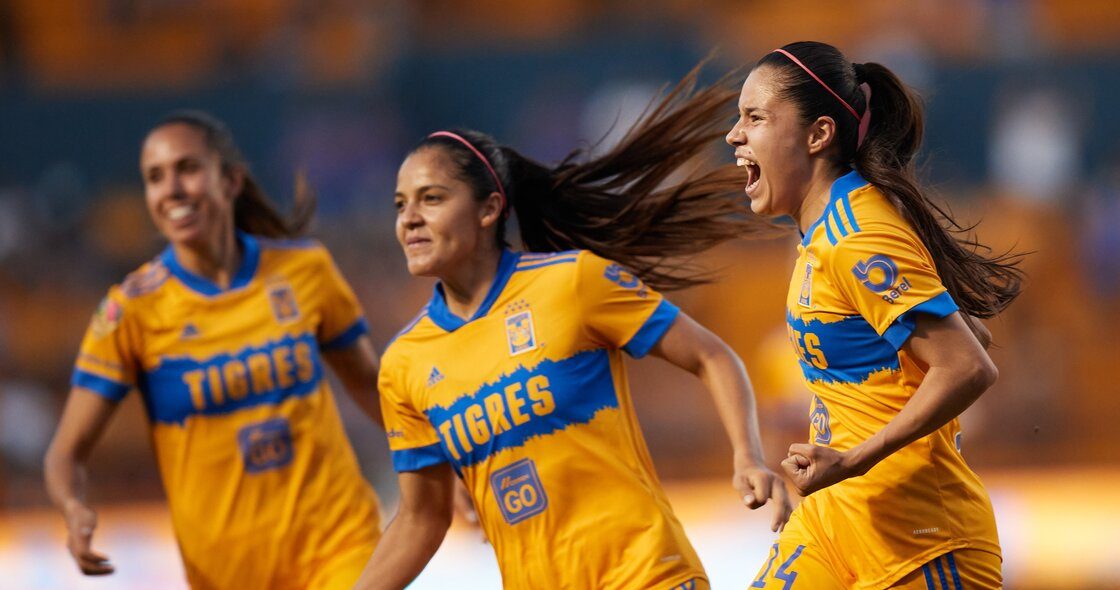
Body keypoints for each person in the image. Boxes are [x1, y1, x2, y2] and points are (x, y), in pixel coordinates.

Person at [354, 66, 791, 590]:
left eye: (431, 199)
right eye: (400, 205)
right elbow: (421, 520)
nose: (409, 219)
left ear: (490, 208)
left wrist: (746, 454)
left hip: (648, 573)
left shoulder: (572, 284)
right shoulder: (405, 363)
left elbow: (711, 356)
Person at [43, 111, 384, 590]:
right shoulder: (132, 312)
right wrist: (73, 507)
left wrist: (438, 466)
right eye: (155, 178)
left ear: (230, 180)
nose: (172, 189)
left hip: (340, 548)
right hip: (225, 575)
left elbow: (370, 386)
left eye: (187, 168)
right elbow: (65, 454)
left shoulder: (305, 270)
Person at [725, 42, 1024, 589]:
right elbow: (963, 331)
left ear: (818, 135)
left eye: (755, 118)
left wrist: (857, 458)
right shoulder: (830, 228)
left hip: (921, 545)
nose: (734, 135)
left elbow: (968, 364)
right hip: (832, 525)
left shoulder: (856, 234)